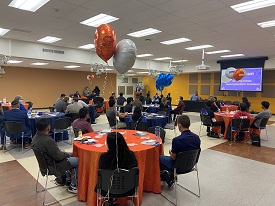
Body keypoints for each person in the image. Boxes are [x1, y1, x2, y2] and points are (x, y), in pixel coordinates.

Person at [31, 118, 78, 194]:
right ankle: (73, 185)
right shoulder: (48, 141)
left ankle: (67, 180)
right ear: (48, 128)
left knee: (71, 154)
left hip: (44, 165)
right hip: (53, 165)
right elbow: (58, 157)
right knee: (78, 160)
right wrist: (64, 153)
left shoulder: (35, 138)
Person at [159, 115, 200, 186]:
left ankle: (167, 178)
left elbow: (173, 157)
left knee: (158, 158)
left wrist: (170, 152)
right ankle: (169, 177)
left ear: (180, 125)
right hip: (191, 165)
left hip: (178, 167)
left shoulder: (177, 140)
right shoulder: (197, 138)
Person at [97, 132, 138, 204]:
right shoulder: (130, 155)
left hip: (107, 189)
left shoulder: (104, 157)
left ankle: (111, 200)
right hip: (129, 188)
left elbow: (102, 172)